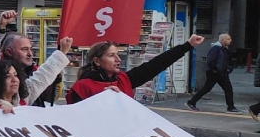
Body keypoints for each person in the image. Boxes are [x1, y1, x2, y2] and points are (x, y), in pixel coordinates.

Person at [66, 34, 204, 104]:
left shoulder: (124, 79)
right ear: (97, 61)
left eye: (118, 55)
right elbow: (77, 120)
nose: (118, 60)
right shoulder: (82, 87)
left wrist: (188, 45)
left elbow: (156, 65)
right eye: (111, 55)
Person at [0, 31, 73, 106]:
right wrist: (0, 27)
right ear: (9, 52)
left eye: (31, 49)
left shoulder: (33, 70)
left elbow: (47, 93)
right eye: (24, 49)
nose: (30, 54)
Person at [187, 34, 238, 112]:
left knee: (228, 89)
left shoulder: (224, 49)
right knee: (206, 89)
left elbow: (226, 61)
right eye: (228, 39)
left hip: (222, 73)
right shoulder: (216, 49)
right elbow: (210, 61)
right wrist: (215, 70)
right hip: (214, 73)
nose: (230, 40)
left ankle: (231, 107)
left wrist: (228, 68)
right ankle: (191, 102)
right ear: (222, 40)